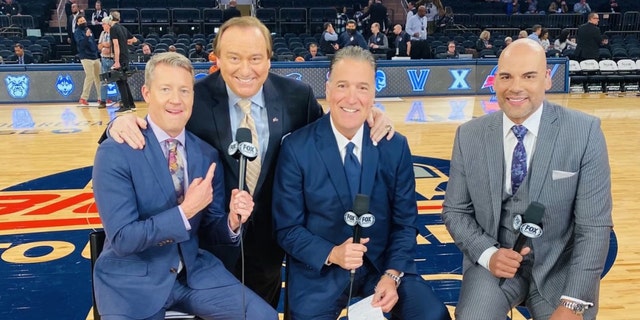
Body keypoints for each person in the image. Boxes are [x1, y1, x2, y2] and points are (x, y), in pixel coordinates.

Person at [103, 16, 394, 309]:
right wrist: (116, 126)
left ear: (269, 59)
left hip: (269, 244)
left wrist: (366, 118)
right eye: (233, 57)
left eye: (255, 57)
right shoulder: (194, 98)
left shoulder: (297, 97)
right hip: (206, 248)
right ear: (217, 59)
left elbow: (326, 136)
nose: (245, 69)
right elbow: (153, 130)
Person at [92, 52, 277, 320]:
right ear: (146, 92)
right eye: (165, 89)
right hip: (132, 282)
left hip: (195, 275)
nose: (176, 100)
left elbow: (212, 228)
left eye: (184, 90)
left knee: (264, 317)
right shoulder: (116, 151)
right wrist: (185, 212)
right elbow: (123, 238)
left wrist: (232, 222)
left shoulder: (206, 153)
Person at [272, 45, 450, 320]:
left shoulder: (395, 146)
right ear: (328, 88)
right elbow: (287, 229)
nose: (352, 98)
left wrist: (392, 275)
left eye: (362, 87)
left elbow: (405, 224)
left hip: (382, 266)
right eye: (343, 85)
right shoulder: (297, 148)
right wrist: (332, 253)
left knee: (430, 314)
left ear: (374, 93)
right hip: (321, 270)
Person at [442, 38, 612, 320]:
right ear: (495, 81)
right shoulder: (469, 135)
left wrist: (573, 303)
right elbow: (455, 211)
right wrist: (488, 254)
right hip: (494, 264)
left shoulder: (585, 132)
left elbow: (594, 228)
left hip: (560, 269)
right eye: (506, 76)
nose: (515, 87)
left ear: (547, 78)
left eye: (528, 76)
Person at [109, 10, 138, 113]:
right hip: (126, 57)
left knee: (120, 82)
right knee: (124, 82)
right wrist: (125, 42)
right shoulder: (123, 28)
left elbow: (116, 45)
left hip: (120, 58)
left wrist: (116, 61)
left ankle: (126, 106)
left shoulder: (113, 29)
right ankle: (131, 104)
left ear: (110, 18)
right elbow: (135, 39)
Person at [75, 15, 102, 107]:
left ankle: (101, 98)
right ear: (77, 23)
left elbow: (93, 43)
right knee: (90, 76)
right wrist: (86, 37)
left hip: (95, 56)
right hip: (85, 57)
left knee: (99, 78)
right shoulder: (77, 32)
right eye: (81, 21)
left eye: (84, 20)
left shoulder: (89, 30)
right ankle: (83, 98)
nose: (83, 22)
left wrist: (97, 52)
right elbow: (81, 45)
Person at [98, 16, 116, 108]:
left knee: (117, 80)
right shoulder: (102, 33)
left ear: (108, 24)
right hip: (104, 59)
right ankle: (103, 101)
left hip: (113, 60)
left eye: (103, 24)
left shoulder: (113, 32)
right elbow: (99, 46)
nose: (102, 26)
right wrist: (105, 45)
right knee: (103, 81)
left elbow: (111, 45)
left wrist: (105, 45)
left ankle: (120, 100)